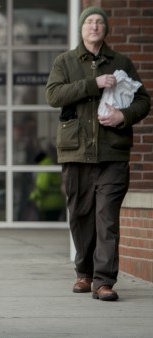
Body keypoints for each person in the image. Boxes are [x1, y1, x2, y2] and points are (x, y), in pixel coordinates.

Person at [45, 6, 150, 301]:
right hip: (75, 152)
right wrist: (94, 84)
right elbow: (53, 95)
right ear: (81, 28)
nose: (94, 26)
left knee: (107, 219)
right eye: (89, 22)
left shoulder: (121, 62)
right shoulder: (64, 62)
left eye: (99, 22)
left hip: (112, 154)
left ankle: (104, 281)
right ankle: (84, 273)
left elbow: (143, 101)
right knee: (80, 216)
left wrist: (123, 117)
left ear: (105, 29)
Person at [29, 152, 65, 221]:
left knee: (48, 227)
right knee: (54, 225)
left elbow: (42, 187)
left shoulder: (44, 168)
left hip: (49, 204)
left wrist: (32, 196)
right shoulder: (51, 165)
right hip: (58, 202)